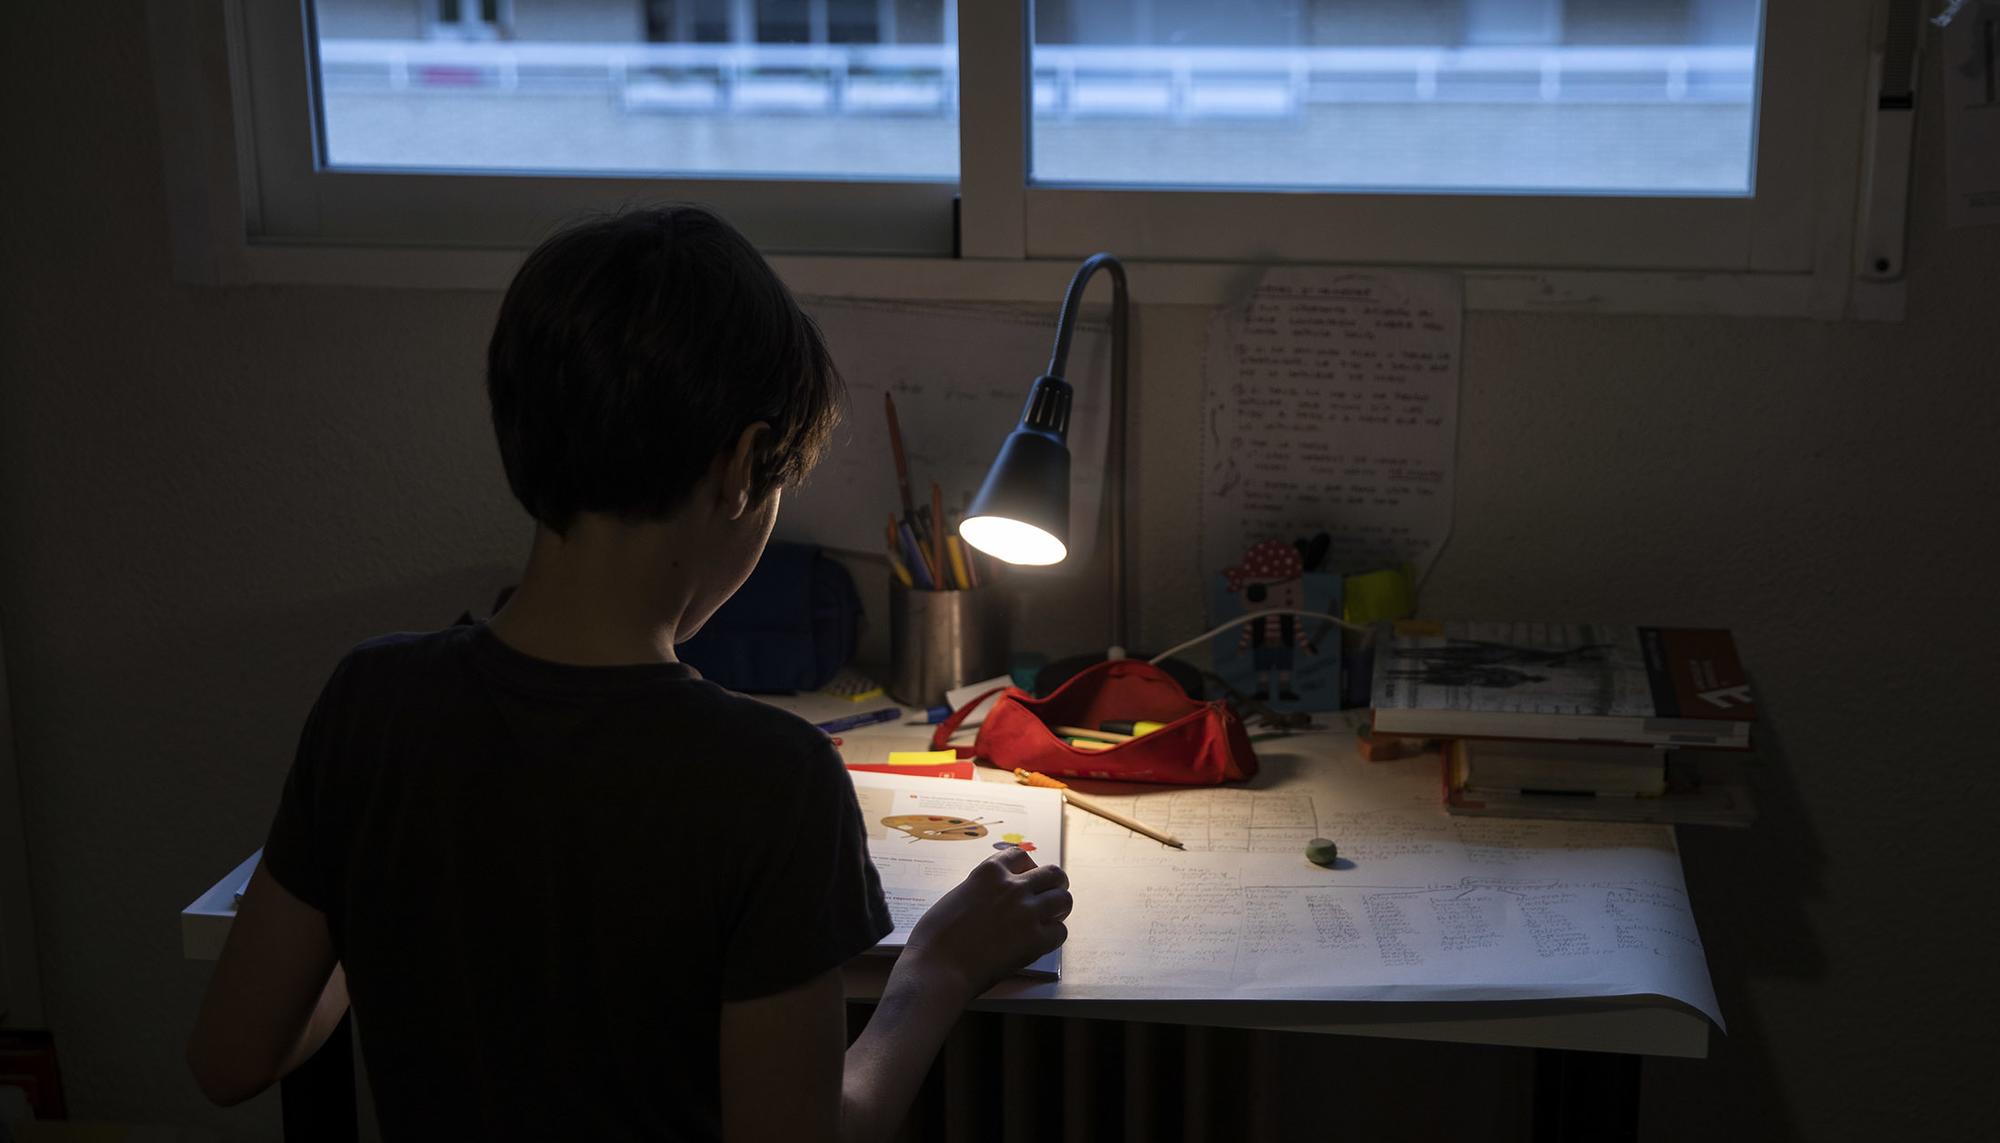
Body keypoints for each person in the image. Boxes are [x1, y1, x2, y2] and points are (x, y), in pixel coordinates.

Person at [187, 206, 1072, 1141]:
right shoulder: (770, 780)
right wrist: (933, 970)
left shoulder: (370, 702)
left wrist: (373, 910)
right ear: (739, 470)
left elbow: (230, 1057)